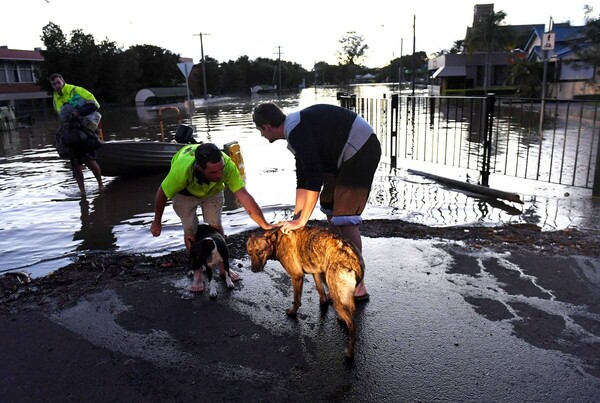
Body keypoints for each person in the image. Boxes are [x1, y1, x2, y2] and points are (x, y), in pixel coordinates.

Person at [252, 102, 381, 301]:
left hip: (360, 149)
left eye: (260, 130)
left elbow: (315, 176)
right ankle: (340, 269)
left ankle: (358, 284)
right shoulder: (294, 131)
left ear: (266, 126)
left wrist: (303, 220)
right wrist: (295, 218)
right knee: (329, 207)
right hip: (338, 157)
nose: (261, 135)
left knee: (345, 217)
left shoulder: (296, 129)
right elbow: (303, 179)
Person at [150, 142, 276, 292]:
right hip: (185, 193)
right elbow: (162, 193)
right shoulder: (181, 171)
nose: (219, 175)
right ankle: (198, 273)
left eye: (221, 170)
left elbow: (244, 197)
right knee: (191, 230)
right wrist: (157, 221)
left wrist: (265, 225)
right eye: (213, 172)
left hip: (213, 190)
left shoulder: (226, 166)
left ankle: (224, 268)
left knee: (215, 225)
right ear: (199, 168)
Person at [50, 73, 103, 196]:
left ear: (63, 81)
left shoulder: (76, 90)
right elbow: (62, 117)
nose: (57, 85)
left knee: (90, 161)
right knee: (76, 165)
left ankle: (100, 185)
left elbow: (95, 105)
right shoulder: (55, 99)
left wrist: (79, 112)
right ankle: (82, 192)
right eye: (54, 84)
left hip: (85, 128)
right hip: (71, 132)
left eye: (58, 82)